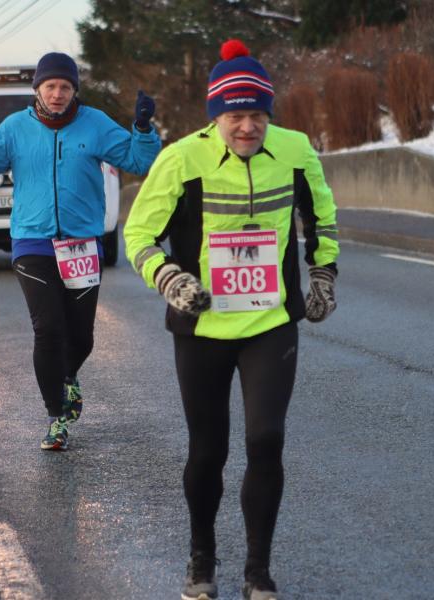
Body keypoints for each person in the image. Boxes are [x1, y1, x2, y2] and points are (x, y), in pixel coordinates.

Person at [123, 39, 339, 600]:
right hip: (202, 327)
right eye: (236, 116)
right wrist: (170, 279)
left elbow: (322, 217)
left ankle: (258, 570)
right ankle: (201, 558)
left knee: (266, 439)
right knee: (207, 450)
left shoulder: (295, 150)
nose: (248, 128)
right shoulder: (180, 158)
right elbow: (139, 236)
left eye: (258, 116)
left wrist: (323, 275)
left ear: (271, 115)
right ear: (216, 116)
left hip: (270, 323)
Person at [0, 52, 162, 451]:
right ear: (38, 89)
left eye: (65, 87)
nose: (57, 94)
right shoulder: (15, 127)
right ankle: (55, 417)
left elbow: (140, 160)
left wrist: (142, 127)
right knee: (48, 328)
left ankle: (66, 378)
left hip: (82, 242)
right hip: (33, 241)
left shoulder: (96, 123)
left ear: (74, 91)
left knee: (81, 337)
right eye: (50, 86)